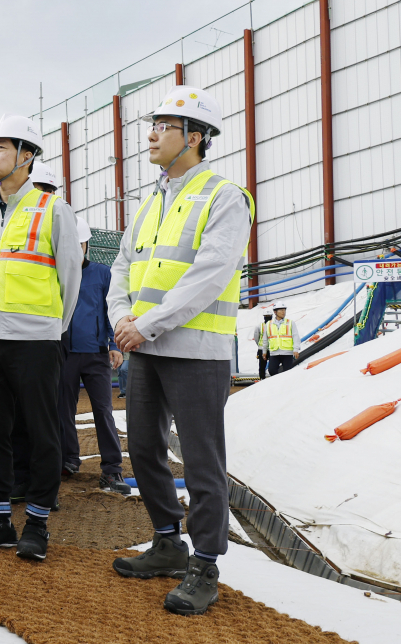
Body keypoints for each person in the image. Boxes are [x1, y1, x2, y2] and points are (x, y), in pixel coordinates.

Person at [108, 85, 255, 616]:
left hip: (194, 349)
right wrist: (122, 318)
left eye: (163, 127)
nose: (150, 134)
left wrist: (144, 324)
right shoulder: (151, 203)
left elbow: (209, 276)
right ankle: (168, 541)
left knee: (201, 459)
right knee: (144, 447)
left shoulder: (224, 196)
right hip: (145, 346)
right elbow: (122, 267)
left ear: (194, 138)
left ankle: (206, 563)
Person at [0, 114, 82, 561]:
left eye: (0, 147)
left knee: (40, 431)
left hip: (35, 340)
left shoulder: (54, 210)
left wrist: (52, 329)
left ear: (26, 155)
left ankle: (36, 523)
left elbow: (70, 281)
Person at [58, 216, 129, 494]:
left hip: (97, 355)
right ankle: (69, 459)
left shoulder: (103, 274)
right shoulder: (57, 274)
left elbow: (112, 310)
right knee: (63, 410)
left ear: (87, 244)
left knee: (103, 410)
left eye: (79, 244)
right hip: (64, 354)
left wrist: (114, 344)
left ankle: (112, 470)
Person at [264, 302, 299, 375]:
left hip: (287, 352)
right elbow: (265, 338)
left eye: (284, 310)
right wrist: (264, 351)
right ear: (275, 312)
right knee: (272, 371)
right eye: (281, 310)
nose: (283, 312)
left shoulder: (290, 322)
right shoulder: (269, 324)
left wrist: (296, 349)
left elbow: (295, 336)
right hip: (274, 352)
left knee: (287, 372)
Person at [251, 309, 272, 380]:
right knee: (262, 366)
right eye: (267, 316)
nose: (268, 317)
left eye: (269, 316)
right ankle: (262, 378)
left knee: (272, 366)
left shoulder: (274, 325)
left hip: (272, 348)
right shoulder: (260, 326)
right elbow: (256, 337)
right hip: (262, 349)